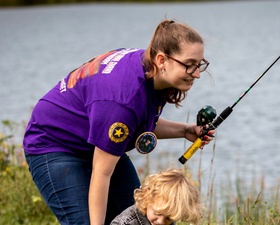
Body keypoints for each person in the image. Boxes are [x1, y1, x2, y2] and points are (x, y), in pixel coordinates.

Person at [23, 19, 214, 225]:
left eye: (199, 65)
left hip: (98, 140)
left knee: (141, 218)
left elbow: (134, 121)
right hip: (54, 145)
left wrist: (184, 130)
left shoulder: (149, 68)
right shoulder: (123, 99)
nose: (196, 74)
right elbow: (102, 173)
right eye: (189, 65)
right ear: (162, 60)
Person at [110, 169, 202, 225]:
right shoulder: (126, 223)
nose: (161, 222)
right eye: (158, 213)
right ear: (147, 196)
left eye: (168, 218)